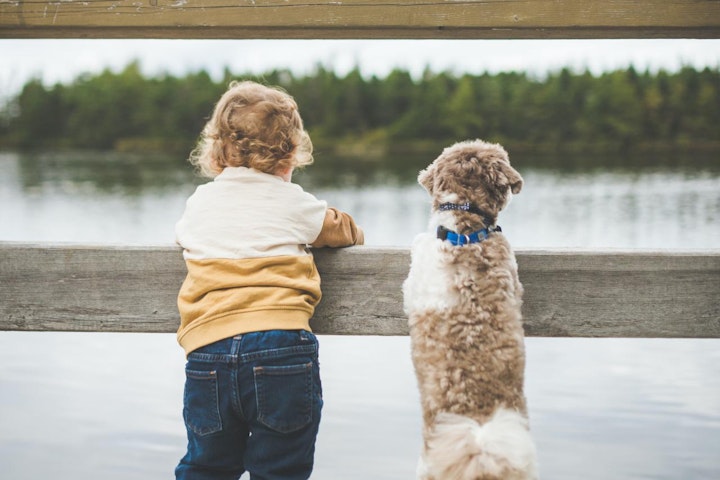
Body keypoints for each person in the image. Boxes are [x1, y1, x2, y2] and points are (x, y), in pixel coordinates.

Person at [174, 80, 364, 480]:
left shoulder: (199, 203)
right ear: (292, 153)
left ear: (216, 150)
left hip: (208, 351)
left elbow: (184, 236)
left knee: (207, 466)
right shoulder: (292, 201)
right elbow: (342, 231)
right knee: (279, 470)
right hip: (281, 348)